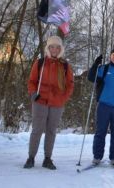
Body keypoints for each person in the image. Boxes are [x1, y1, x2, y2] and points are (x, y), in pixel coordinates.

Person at [24, 36, 74, 170]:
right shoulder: (40, 62)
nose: (54, 49)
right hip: (40, 101)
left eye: (57, 47)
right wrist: (33, 93)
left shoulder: (65, 65)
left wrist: (64, 98)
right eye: (52, 46)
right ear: (48, 48)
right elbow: (32, 81)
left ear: (60, 49)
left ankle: (47, 159)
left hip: (57, 103)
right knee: (37, 130)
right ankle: (31, 157)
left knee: (51, 131)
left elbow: (70, 85)